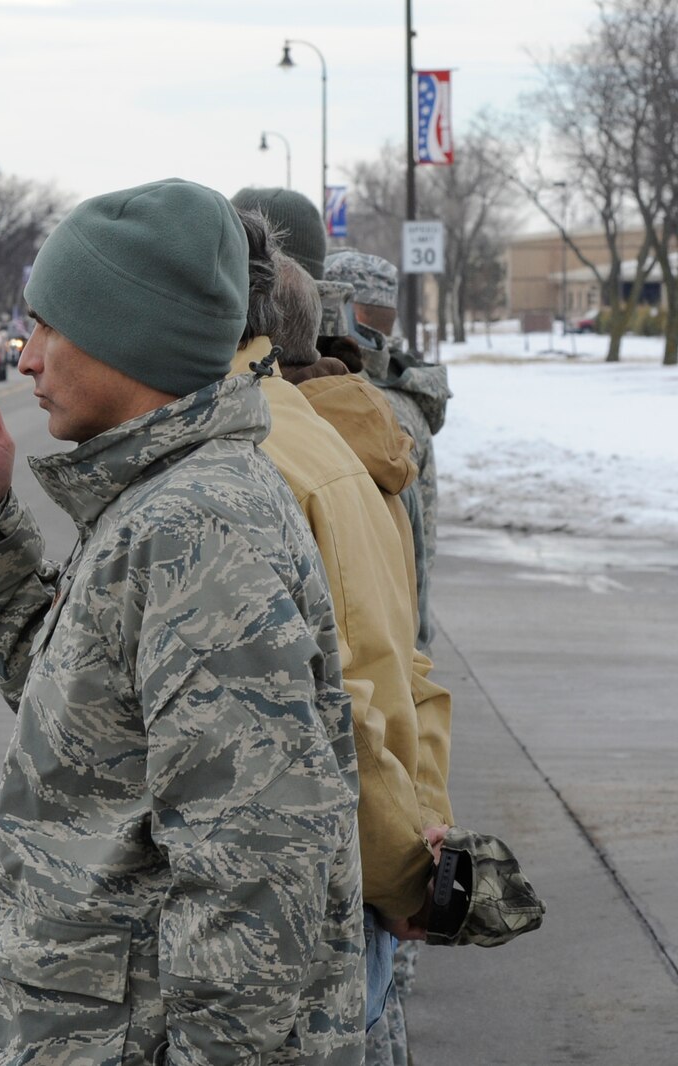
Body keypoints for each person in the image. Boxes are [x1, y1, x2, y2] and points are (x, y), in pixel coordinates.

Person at [0, 178, 362, 1064]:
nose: (27, 358)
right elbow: (88, 733)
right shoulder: (161, 502)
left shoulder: (200, 526)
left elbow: (256, 880)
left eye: (49, 325)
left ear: (127, 336)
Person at [236, 225, 460, 1049]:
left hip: (327, 888)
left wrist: (406, 874)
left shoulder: (269, 462)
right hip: (385, 847)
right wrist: (426, 835)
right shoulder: (356, 441)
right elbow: (407, 668)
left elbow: (340, 710)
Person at [326, 250, 450, 654]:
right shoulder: (398, 394)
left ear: (349, 313)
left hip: (384, 646)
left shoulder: (364, 405)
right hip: (403, 635)